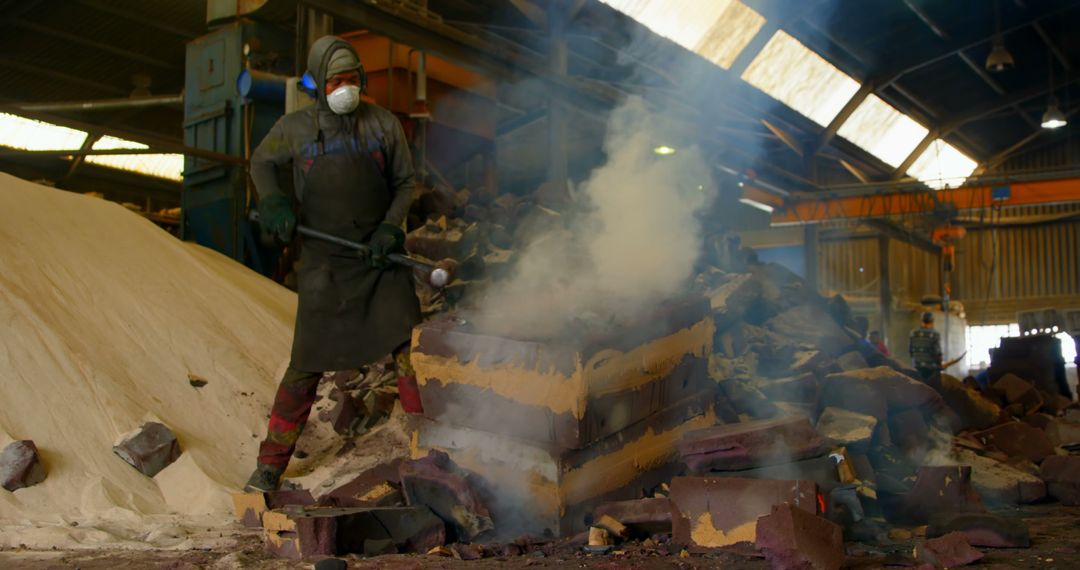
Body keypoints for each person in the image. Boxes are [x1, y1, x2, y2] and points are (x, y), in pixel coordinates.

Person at [244, 36, 421, 493]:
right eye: (335, 81)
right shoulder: (296, 127)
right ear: (319, 85)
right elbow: (262, 163)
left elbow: (405, 184)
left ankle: (431, 449)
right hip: (325, 263)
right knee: (306, 363)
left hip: (379, 259)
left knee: (408, 350)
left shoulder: (383, 124)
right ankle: (269, 466)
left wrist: (390, 228)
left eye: (352, 79)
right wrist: (275, 201)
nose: (346, 88)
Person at [909, 312, 943, 381]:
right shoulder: (934, 334)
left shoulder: (913, 333)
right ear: (932, 321)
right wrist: (940, 364)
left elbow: (910, 352)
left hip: (917, 368)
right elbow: (937, 353)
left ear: (921, 320)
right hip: (931, 370)